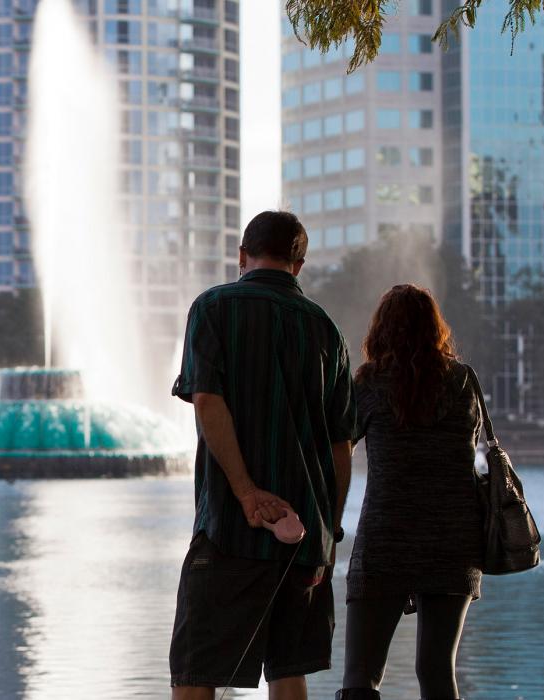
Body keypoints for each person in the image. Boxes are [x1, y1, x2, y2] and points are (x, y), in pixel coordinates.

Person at [169, 210, 357, 700]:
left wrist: (247, 494)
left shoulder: (213, 308)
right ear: (299, 264)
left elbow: (208, 401)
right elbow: (342, 444)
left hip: (231, 529)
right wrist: (327, 531)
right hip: (305, 539)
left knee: (195, 671)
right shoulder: (327, 331)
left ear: (241, 256)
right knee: (287, 670)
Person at [337, 284, 484, 700]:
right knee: (438, 672)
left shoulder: (368, 384)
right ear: (435, 330)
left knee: (361, 676)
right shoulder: (463, 382)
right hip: (454, 541)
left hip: (386, 538)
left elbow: (339, 445)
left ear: (381, 330)